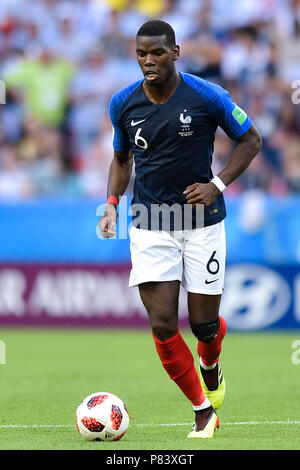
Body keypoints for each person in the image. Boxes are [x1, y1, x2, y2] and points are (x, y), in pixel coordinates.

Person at [99, 20, 262, 438]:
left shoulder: (208, 95)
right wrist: (112, 205)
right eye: (141, 54)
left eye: (156, 52)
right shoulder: (122, 103)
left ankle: (210, 362)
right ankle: (203, 410)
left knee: (204, 326)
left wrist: (217, 185)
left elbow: (251, 141)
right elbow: (122, 160)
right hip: (150, 222)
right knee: (163, 324)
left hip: (202, 223)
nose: (148, 61)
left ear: (176, 51)